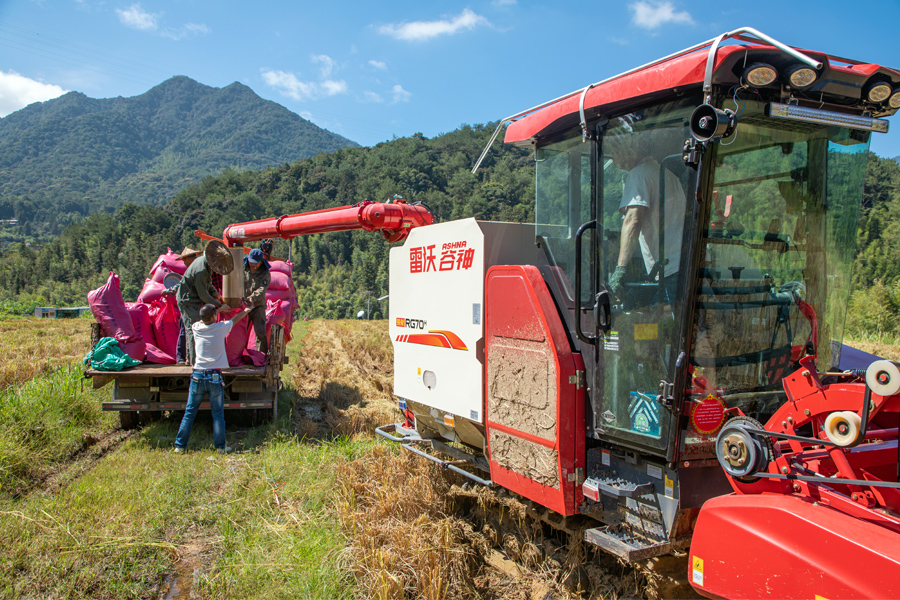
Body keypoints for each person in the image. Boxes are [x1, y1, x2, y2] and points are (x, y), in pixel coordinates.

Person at [606, 121, 687, 306]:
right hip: (682, 263)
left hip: (669, 268)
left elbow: (633, 220)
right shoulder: (668, 175)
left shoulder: (638, 175)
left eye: (616, 153)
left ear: (630, 152)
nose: (616, 161)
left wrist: (620, 270)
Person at [174, 303, 251, 453]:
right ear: (214, 317)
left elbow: (204, 318)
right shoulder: (220, 328)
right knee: (217, 415)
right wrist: (247, 310)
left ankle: (180, 446)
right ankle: (220, 447)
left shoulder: (196, 327)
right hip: (214, 376)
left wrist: (217, 310)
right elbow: (235, 319)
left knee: (189, 412)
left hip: (197, 375)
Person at [176, 240, 234, 366]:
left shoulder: (205, 264)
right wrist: (220, 306)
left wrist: (217, 295)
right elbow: (204, 295)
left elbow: (209, 284)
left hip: (194, 299)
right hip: (188, 301)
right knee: (194, 329)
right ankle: (193, 363)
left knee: (192, 327)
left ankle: (189, 359)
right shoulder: (200, 270)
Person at [162, 247, 202, 364]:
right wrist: (170, 291)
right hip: (187, 305)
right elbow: (181, 283)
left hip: (192, 304)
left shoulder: (195, 270)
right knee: (186, 330)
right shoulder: (191, 271)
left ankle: (187, 357)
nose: (184, 262)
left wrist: (170, 290)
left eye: (185, 259)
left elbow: (181, 284)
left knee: (187, 330)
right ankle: (182, 357)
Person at [243, 248, 271, 355]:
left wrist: (252, 298)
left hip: (258, 306)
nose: (252, 265)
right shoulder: (243, 268)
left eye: (255, 263)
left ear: (260, 261)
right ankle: (239, 354)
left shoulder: (265, 273)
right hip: (244, 306)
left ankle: (262, 355)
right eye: (251, 262)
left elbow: (262, 289)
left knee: (260, 332)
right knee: (241, 332)